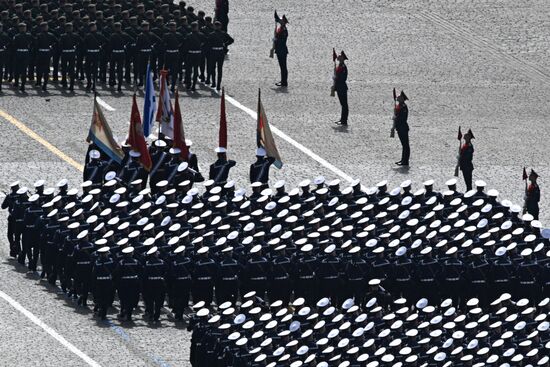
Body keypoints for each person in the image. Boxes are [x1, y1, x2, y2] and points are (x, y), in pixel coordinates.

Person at [206, 21, 233, 91]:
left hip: (214, 52)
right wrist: (225, 44)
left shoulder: (211, 34)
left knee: (213, 68)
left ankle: (214, 83)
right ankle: (218, 85)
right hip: (220, 52)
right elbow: (231, 40)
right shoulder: (223, 33)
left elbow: (208, 44)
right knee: (219, 69)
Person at [34, 21, 57, 91]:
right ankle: (44, 85)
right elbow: (56, 42)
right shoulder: (51, 35)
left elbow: (35, 45)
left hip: (40, 53)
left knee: (39, 69)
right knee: (46, 70)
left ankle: (39, 82)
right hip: (47, 53)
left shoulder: (38, 35)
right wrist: (51, 48)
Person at [12, 23, 33, 92]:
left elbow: (14, 46)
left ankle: (17, 83)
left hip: (18, 53)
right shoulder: (29, 35)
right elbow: (33, 42)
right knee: (23, 70)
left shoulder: (16, 36)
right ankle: (22, 85)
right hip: (25, 53)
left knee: (18, 69)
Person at [394, 90, 410, 166]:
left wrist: (396, 117)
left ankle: (405, 161)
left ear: (402, 99)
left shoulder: (403, 107)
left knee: (405, 145)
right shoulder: (400, 106)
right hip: (400, 128)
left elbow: (402, 118)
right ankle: (403, 159)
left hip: (403, 128)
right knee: (404, 145)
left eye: (399, 96)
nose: (398, 97)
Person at [273, 12, 288, 87]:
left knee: (283, 67)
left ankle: (284, 82)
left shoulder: (284, 30)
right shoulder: (281, 29)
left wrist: (275, 40)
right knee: (282, 67)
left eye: (281, 21)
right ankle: (283, 81)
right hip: (280, 50)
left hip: (282, 50)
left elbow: (281, 41)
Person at [333, 51, 348, 126]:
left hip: (342, 88)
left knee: (344, 105)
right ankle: (342, 119)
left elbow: (343, 78)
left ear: (342, 58)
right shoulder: (339, 66)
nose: (338, 57)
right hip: (339, 88)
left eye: (340, 56)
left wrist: (337, 78)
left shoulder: (343, 67)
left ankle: (344, 120)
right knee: (343, 105)